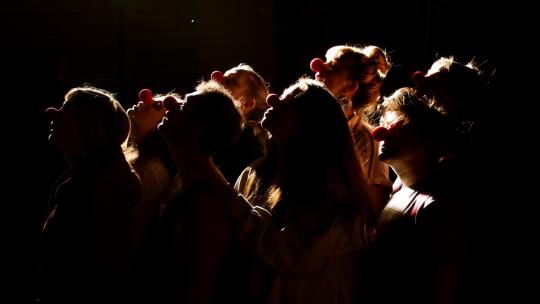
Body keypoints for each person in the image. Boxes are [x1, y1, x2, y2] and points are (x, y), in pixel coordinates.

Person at [232, 78, 372, 303]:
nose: (273, 99)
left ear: (314, 122)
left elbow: (294, 257)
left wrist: (229, 202)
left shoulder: (332, 188)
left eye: (291, 99)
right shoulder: (255, 172)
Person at [149, 80, 248, 304]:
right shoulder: (185, 180)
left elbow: (197, 288)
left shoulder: (207, 201)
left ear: (197, 127)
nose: (170, 105)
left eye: (184, 107)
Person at [40, 86, 141, 303]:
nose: (53, 113)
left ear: (88, 128)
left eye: (65, 111)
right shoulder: (88, 180)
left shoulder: (100, 193)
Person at [370, 87, 470, 304]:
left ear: (428, 144)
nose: (384, 132)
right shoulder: (399, 187)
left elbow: (443, 289)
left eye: (400, 127)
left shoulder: (439, 207)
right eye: (388, 124)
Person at [309, 45, 392, 225]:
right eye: (325, 60)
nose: (318, 67)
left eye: (333, 66)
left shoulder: (366, 139)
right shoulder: (310, 129)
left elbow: (370, 212)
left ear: (350, 86)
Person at [124, 88, 176, 255]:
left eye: (157, 105)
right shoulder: (137, 161)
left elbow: (139, 231)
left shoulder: (151, 170)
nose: (146, 99)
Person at [211, 64, 270, 184]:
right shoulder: (210, 132)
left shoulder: (249, 146)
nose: (219, 81)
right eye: (224, 77)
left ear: (247, 104)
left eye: (232, 81)